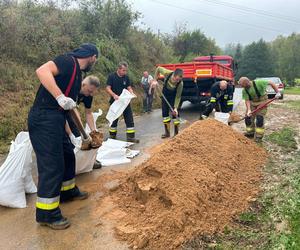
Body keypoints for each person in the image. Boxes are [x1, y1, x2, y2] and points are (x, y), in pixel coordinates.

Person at [28, 43, 98, 230]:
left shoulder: (78, 75)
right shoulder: (68, 61)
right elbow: (42, 71)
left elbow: (70, 108)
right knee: (52, 165)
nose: (95, 62)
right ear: (92, 56)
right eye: (95, 59)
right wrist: (59, 96)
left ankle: (67, 191)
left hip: (56, 119)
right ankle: (46, 214)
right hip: (44, 117)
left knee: (67, 154)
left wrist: (81, 136)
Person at [66, 75, 102, 169]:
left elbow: (88, 113)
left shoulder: (88, 95)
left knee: (79, 139)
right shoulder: (72, 89)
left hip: (71, 113)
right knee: (71, 140)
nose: (90, 94)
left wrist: (94, 131)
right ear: (83, 84)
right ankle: (68, 166)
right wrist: (80, 132)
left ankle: (88, 162)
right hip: (60, 113)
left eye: (93, 92)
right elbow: (72, 111)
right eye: (90, 91)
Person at [239, 76, 281, 142]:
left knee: (259, 119)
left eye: (244, 86)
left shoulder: (259, 82)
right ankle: (250, 133)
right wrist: (249, 110)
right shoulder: (244, 90)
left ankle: (259, 136)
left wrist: (277, 92)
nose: (243, 87)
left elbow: (271, 83)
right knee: (248, 118)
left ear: (247, 82)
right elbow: (247, 100)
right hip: (253, 103)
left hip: (262, 101)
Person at [106, 62, 139, 143]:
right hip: (115, 101)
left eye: (126, 71)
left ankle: (131, 137)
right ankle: (112, 136)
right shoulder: (111, 77)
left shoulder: (126, 77)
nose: (125, 72)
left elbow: (129, 87)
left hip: (125, 102)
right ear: (119, 69)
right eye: (123, 70)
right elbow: (108, 88)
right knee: (114, 119)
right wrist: (114, 95)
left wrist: (131, 92)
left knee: (129, 118)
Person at [152, 66, 183, 138]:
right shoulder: (167, 73)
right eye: (177, 79)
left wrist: (175, 108)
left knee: (175, 115)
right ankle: (167, 133)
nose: (177, 81)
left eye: (179, 80)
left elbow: (178, 96)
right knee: (165, 114)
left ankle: (176, 133)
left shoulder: (180, 84)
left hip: (173, 97)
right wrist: (154, 80)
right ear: (174, 75)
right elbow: (158, 68)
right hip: (165, 95)